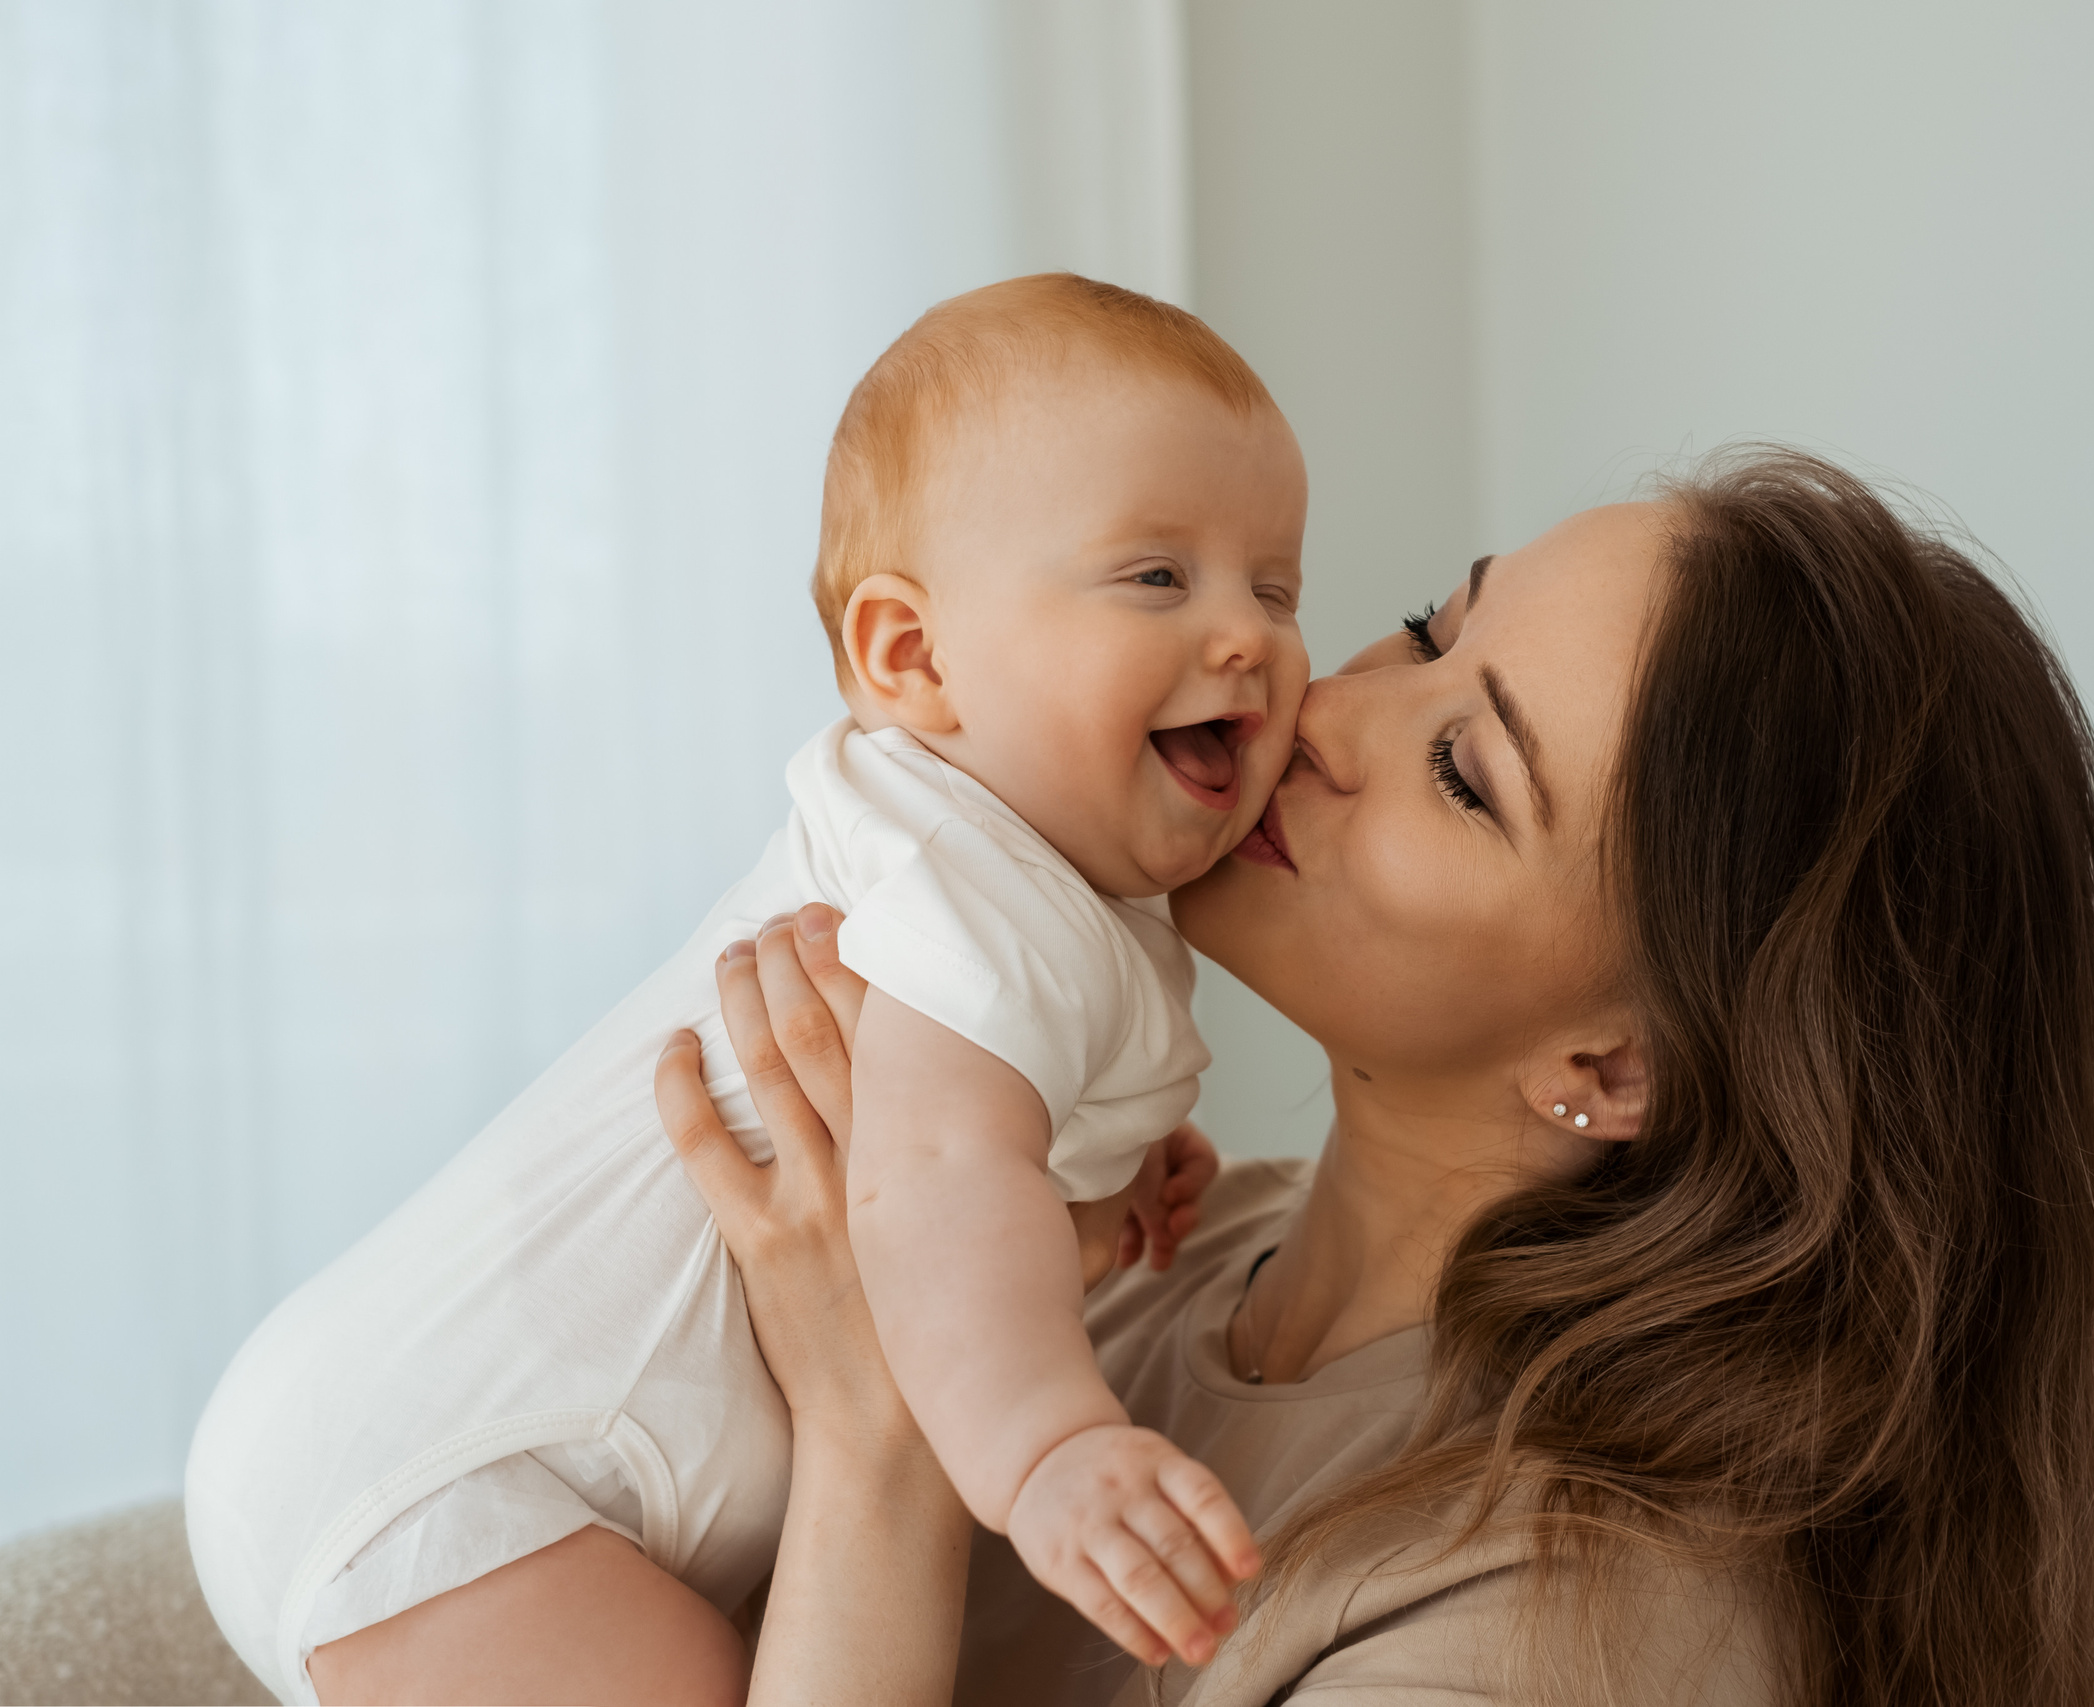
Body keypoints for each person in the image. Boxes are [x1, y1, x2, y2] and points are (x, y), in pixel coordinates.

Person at [618, 449, 2094, 1706]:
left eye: (1463, 774)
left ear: (1618, 1064)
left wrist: (880, 1438)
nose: (1326, 711)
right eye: (1433, 631)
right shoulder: (1121, 1242)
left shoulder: (1555, 1627)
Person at [183, 274, 1308, 1705]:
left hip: (429, 1436)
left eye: (1276, 586)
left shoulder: (1003, 879)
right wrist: (1047, 1449)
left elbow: (967, 1144)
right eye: (1159, 577)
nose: (1249, 638)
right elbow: (943, 1174)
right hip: (469, 1479)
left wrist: (1101, 1170)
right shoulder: (972, 884)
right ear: (914, 658)